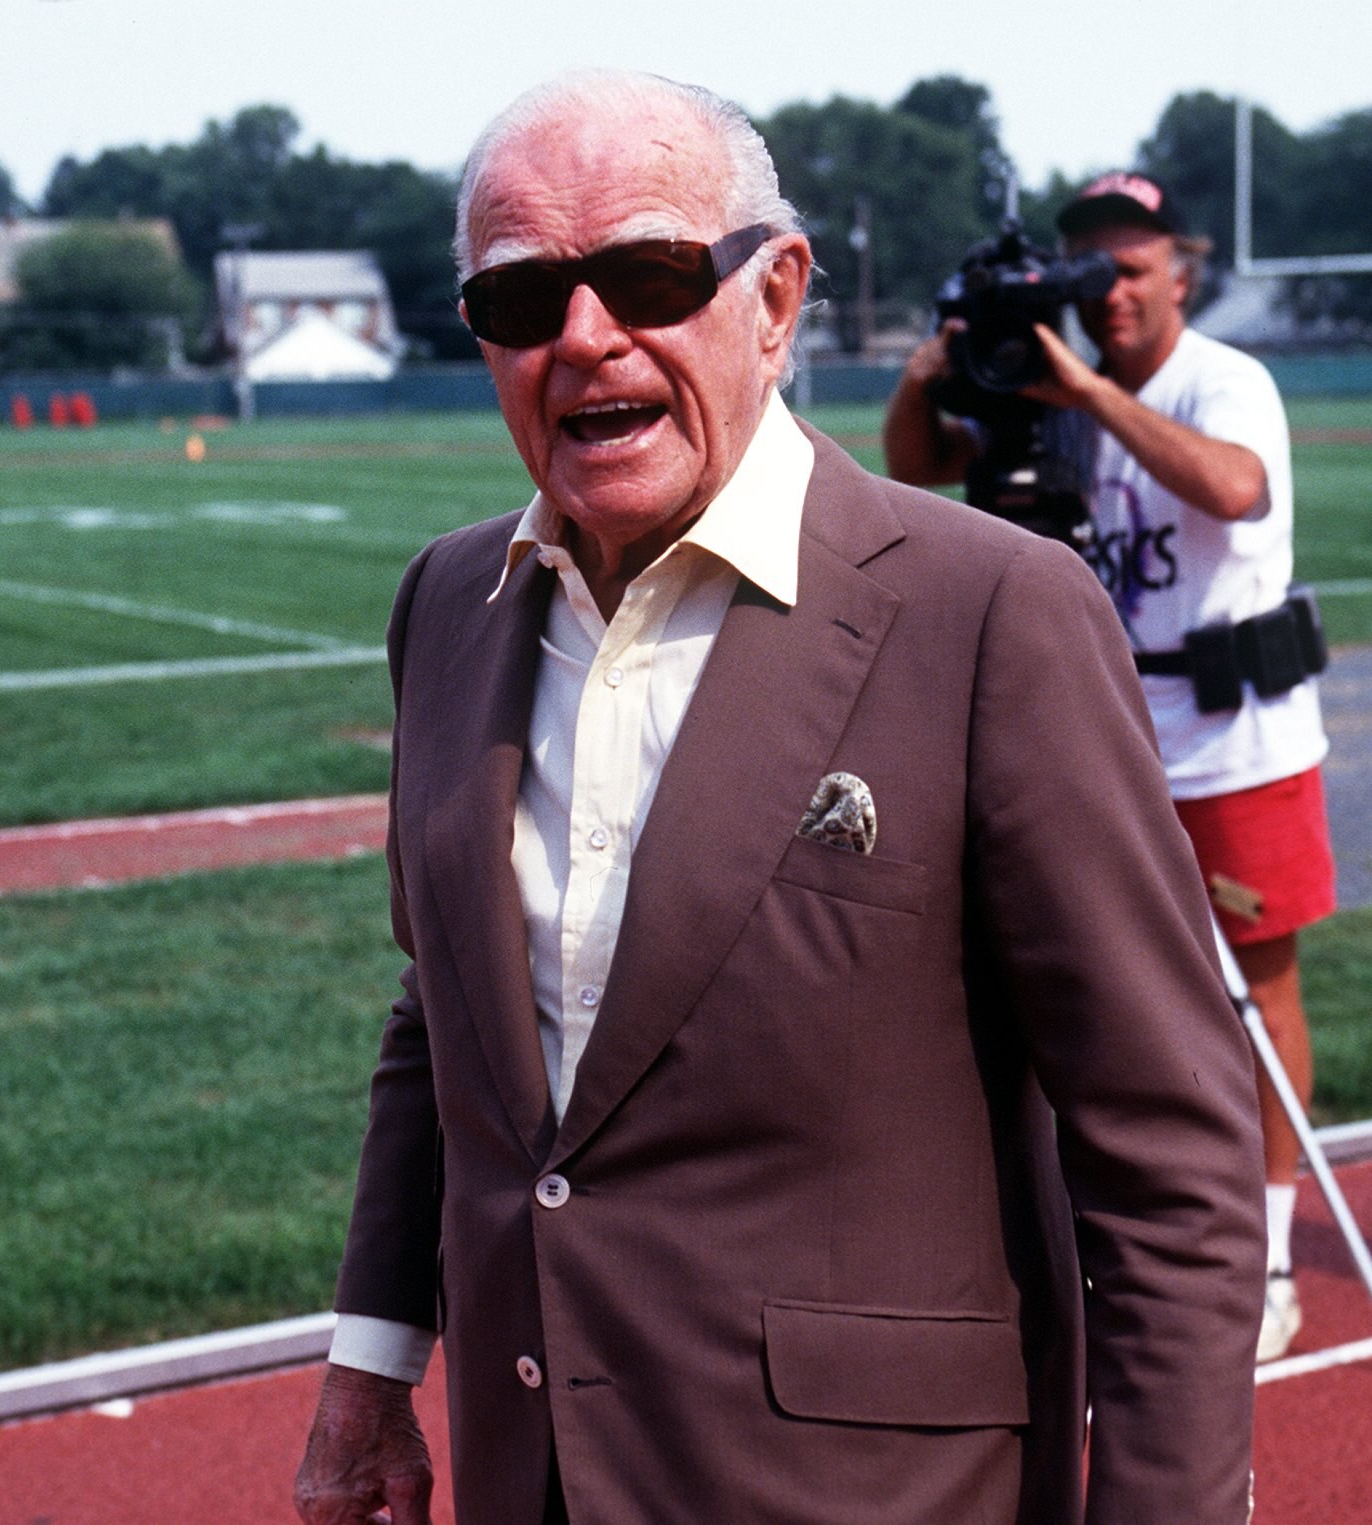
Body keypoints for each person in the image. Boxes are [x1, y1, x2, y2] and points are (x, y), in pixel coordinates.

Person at [292, 73, 1266, 1525]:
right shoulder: (446, 602)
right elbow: (442, 1014)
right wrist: (370, 1368)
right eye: (519, 299)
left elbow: (1171, 1157)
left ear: (775, 295)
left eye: (645, 275)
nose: (582, 337)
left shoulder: (992, 613)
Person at [883, 170, 1332, 1365]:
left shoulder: (1224, 380)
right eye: (1091, 271)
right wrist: (931, 372)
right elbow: (913, 466)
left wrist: (1082, 387)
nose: (1111, 293)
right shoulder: (1046, 387)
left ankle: (1273, 1250)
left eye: (1128, 269)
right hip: (1113, 738)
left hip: (1235, 735)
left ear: (1180, 270)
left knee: (1255, 995)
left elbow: (1234, 488)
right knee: (1106, 999)